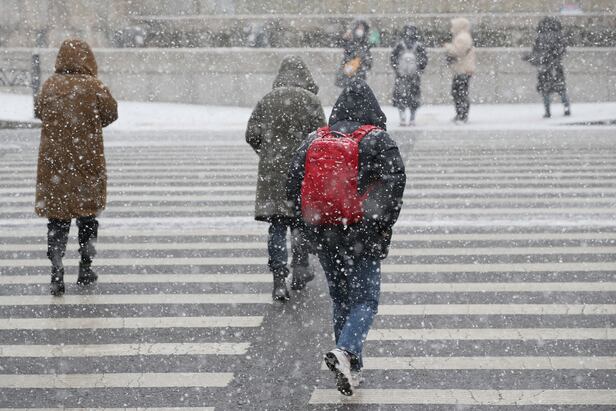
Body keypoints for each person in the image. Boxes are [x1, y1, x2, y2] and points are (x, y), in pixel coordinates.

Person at [287, 79, 406, 395]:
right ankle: (346, 351)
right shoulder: (378, 140)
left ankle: (351, 367)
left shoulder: (315, 138)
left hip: (324, 232)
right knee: (365, 300)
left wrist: (308, 226)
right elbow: (395, 184)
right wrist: (378, 224)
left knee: (341, 299)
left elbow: (293, 184)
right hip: (362, 234)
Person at [34, 39, 118, 296]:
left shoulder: (50, 85)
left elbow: (39, 111)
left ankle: (56, 269)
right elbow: (111, 113)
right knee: (87, 216)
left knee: (57, 219)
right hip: (86, 161)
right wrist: (88, 122)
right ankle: (85, 267)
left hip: (55, 164)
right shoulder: (93, 86)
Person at [246, 56, 326, 301]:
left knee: (277, 225)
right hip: (302, 172)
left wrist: (267, 152)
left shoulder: (267, 100)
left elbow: (251, 134)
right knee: (300, 222)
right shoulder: (310, 100)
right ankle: (300, 271)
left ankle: (279, 280)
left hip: (272, 173)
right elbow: (322, 136)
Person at [524, 16, 571, 118]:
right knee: (561, 89)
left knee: (546, 91)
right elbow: (562, 50)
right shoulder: (559, 36)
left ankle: (547, 111)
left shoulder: (540, 37)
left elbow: (536, 53)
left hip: (545, 68)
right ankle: (566, 108)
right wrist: (554, 58)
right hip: (556, 67)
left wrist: (530, 58)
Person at [391, 24, 428, 126]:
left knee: (403, 96)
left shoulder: (400, 45)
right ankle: (410, 118)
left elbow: (393, 58)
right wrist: (419, 69)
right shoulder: (418, 46)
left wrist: (397, 69)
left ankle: (405, 117)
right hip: (412, 76)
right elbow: (424, 60)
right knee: (411, 97)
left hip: (403, 76)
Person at [444, 17, 476, 123]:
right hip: (463, 69)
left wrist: (448, 47)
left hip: (462, 69)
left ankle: (462, 115)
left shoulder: (462, 37)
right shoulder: (464, 36)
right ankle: (461, 114)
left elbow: (458, 52)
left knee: (459, 93)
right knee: (460, 92)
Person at [335, 19, 373, 88]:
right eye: (358, 28)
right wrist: (344, 39)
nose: (360, 30)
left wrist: (361, 63)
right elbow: (340, 44)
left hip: (360, 78)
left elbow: (369, 63)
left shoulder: (366, 45)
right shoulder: (350, 42)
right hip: (348, 77)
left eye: (362, 28)